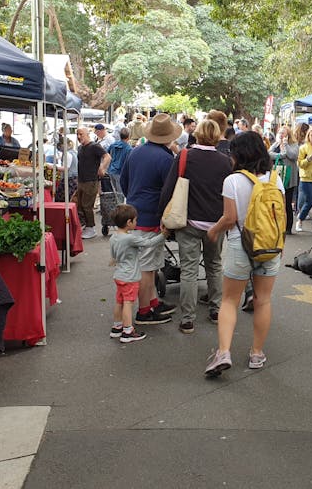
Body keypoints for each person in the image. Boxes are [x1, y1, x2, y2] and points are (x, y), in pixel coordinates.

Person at [205, 132, 285, 376]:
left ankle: (223, 352)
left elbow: (230, 219)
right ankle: (257, 354)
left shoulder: (233, 181)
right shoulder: (275, 179)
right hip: (270, 246)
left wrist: (214, 230)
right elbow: (282, 217)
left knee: (229, 300)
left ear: (238, 154)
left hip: (242, 244)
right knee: (263, 300)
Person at [159, 120, 232, 334]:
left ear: (197, 135)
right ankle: (216, 309)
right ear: (217, 136)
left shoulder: (184, 156)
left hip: (188, 222)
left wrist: (162, 216)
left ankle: (188, 319)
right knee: (214, 265)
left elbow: (169, 188)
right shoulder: (225, 161)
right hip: (216, 224)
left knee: (188, 270)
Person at [120, 113, 181, 325]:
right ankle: (144, 311)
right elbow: (170, 192)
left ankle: (153, 302)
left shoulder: (136, 152)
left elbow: (124, 181)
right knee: (147, 267)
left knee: (152, 264)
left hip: (136, 212)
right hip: (152, 217)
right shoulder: (165, 159)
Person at [109, 204, 169, 343]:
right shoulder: (130, 238)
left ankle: (117, 327)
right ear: (129, 222)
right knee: (129, 303)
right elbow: (148, 243)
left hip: (119, 275)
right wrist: (163, 235)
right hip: (130, 277)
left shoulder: (114, 237)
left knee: (119, 302)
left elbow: (113, 255)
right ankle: (128, 330)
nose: (137, 223)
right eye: (135, 220)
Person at [75, 127, 111, 239]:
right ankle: (86, 226)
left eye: (81, 134)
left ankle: (91, 228)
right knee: (78, 204)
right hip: (81, 180)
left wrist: (102, 168)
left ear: (87, 134)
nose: (79, 136)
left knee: (87, 205)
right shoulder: (80, 148)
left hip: (91, 180)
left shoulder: (94, 146)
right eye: (77, 134)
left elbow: (107, 156)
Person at [268, 125, 299, 235]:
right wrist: (281, 155)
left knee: (287, 203)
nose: (281, 135)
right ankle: (276, 225)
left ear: (288, 135)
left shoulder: (293, 145)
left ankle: (288, 227)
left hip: (289, 178)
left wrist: (285, 145)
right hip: (277, 177)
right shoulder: (275, 144)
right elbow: (268, 153)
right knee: (276, 203)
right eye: (280, 132)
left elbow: (293, 156)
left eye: (283, 133)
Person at [107, 128, 133, 195]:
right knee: (121, 194)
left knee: (115, 193)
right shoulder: (129, 148)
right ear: (129, 136)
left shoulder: (113, 145)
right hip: (121, 173)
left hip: (111, 171)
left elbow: (107, 155)